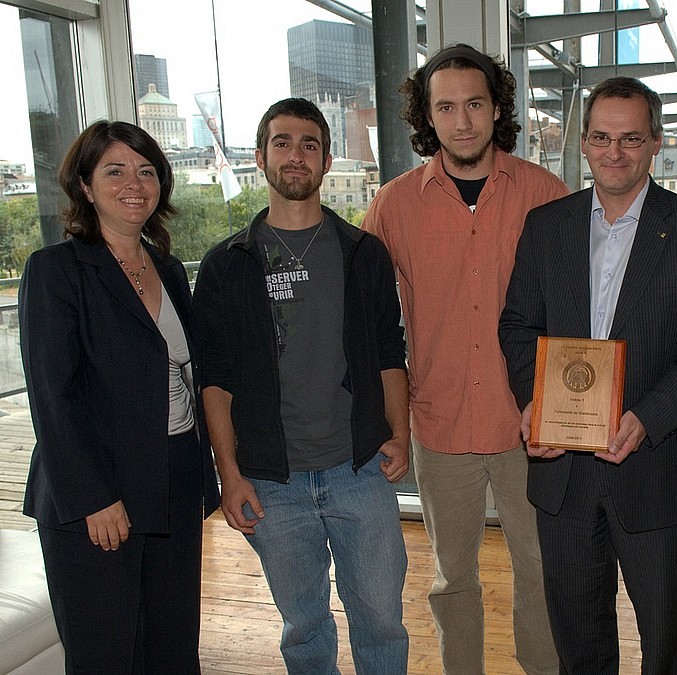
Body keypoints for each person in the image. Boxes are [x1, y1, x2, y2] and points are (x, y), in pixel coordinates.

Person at [499, 76, 677, 674]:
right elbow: (517, 325)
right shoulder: (546, 225)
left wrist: (648, 417)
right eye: (602, 138)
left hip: (656, 472)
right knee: (579, 647)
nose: (615, 152)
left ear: (655, 142)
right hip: (563, 476)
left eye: (631, 138)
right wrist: (535, 401)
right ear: (583, 142)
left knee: (668, 646)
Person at [363, 43, 567, 675]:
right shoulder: (393, 205)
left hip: (529, 424)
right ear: (428, 116)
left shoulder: (546, 193)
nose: (462, 121)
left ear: (496, 107)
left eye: (475, 104)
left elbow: (578, 311)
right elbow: (365, 321)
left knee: (541, 568)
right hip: (440, 421)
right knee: (451, 578)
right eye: (446, 107)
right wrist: (385, 421)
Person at [193, 98, 409, 674]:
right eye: (282, 143)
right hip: (272, 480)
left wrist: (400, 433)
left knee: (382, 619)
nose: (296, 156)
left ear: (327, 160)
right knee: (304, 628)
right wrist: (229, 473)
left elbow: (390, 352)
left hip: (359, 470)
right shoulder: (226, 266)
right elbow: (215, 381)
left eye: (309, 145)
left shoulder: (364, 254)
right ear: (260, 156)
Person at [18, 120, 220, 673]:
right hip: (98, 495)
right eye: (115, 171)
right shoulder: (56, 271)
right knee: (107, 655)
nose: (134, 184)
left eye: (146, 171)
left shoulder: (169, 269)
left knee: (174, 651)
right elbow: (53, 399)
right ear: (85, 186)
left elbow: (187, 374)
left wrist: (206, 475)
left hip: (173, 482)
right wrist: (94, 497)